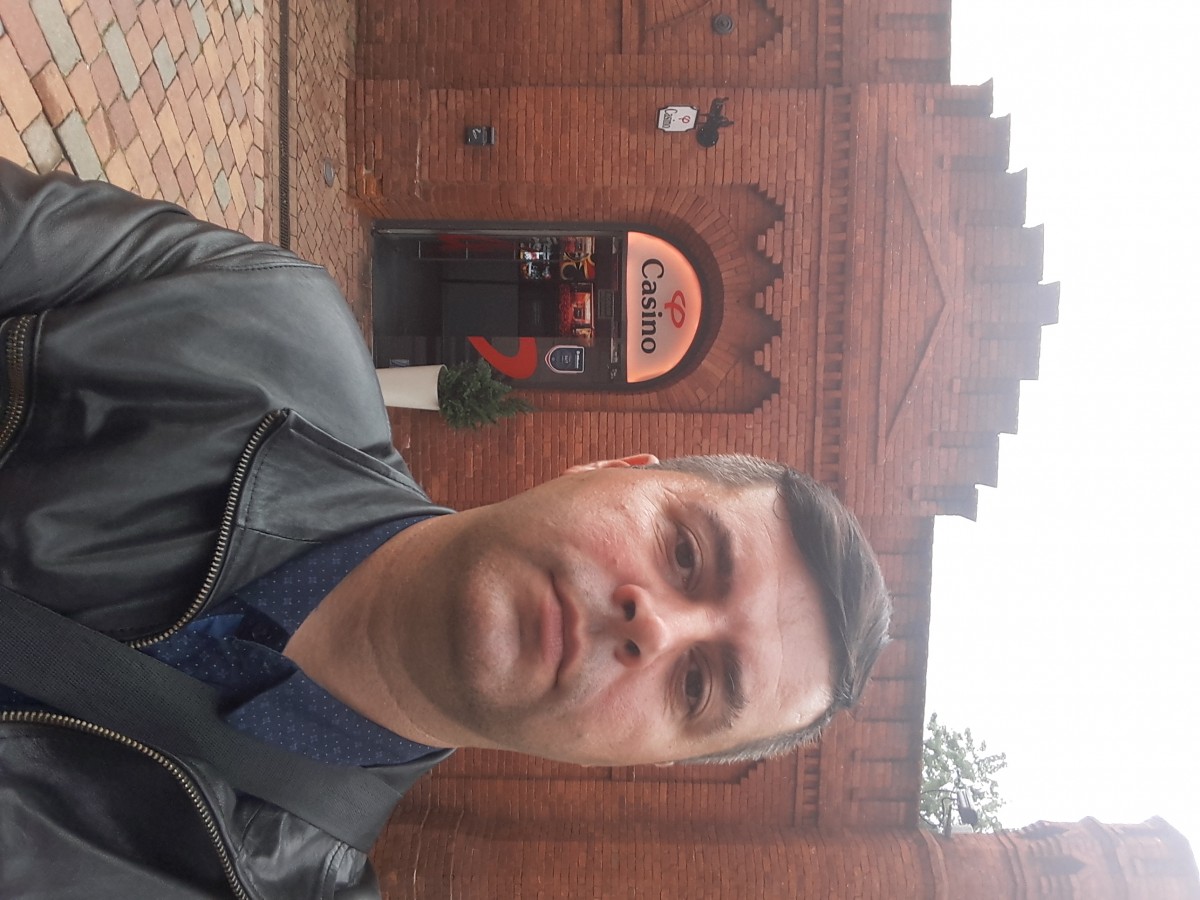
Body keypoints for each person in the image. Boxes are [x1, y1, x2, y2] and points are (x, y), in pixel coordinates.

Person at [0, 159, 890, 898]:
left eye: (696, 685)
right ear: (611, 468)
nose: (653, 627)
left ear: (645, 758)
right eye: (686, 553)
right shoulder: (257, 318)